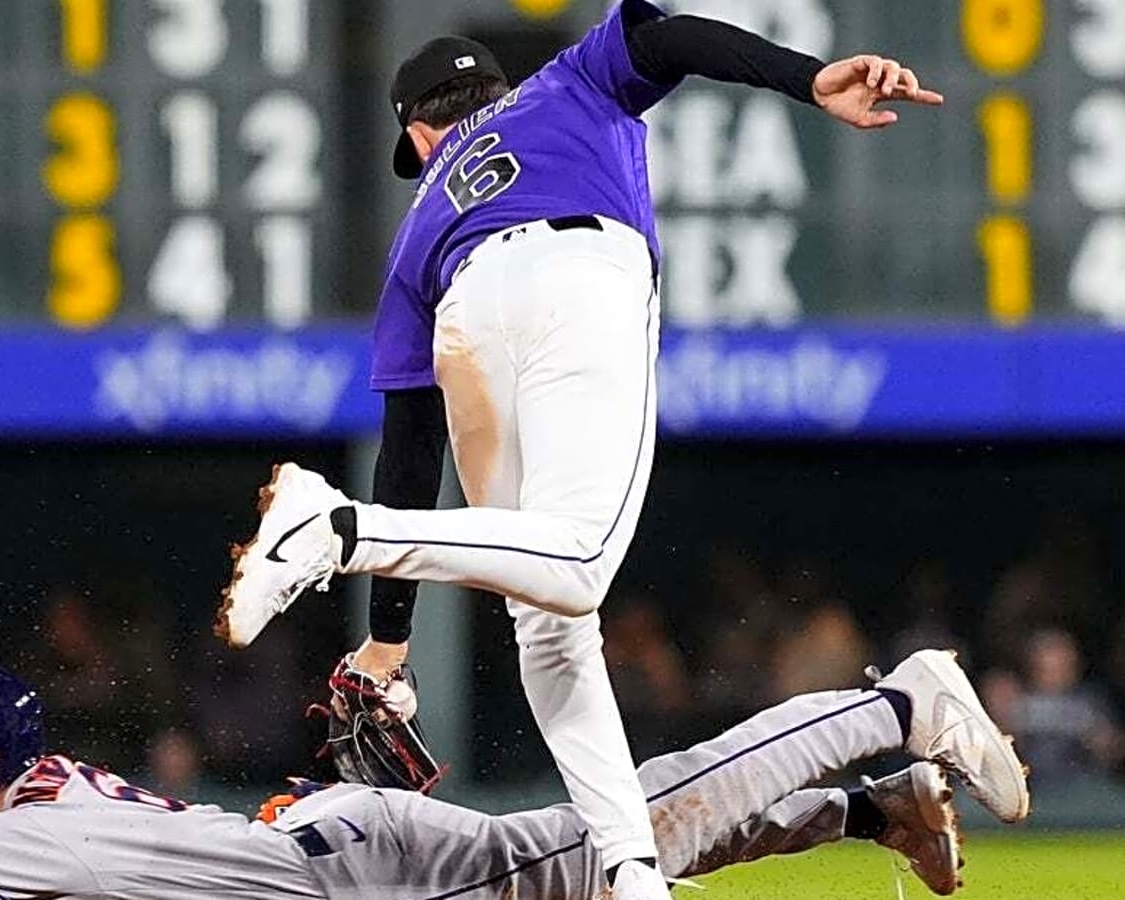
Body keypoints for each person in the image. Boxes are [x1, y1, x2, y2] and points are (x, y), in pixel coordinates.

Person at [217, 4, 970, 894]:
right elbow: (671, 35)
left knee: (550, 626)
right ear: (488, 94)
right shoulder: (562, 85)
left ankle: (630, 872)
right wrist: (807, 78)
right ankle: (335, 534)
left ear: (422, 134)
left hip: (465, 307)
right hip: (576, 277)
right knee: (576, 567)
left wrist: (387, 644)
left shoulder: (419, 222)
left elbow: (412, 448)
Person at [0, 650, 1028, 899]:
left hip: (362, 879)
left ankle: (893, 705)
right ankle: (875, 806)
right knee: (616, 854)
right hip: (326, 840)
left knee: (636, 828)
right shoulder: (52, 797)